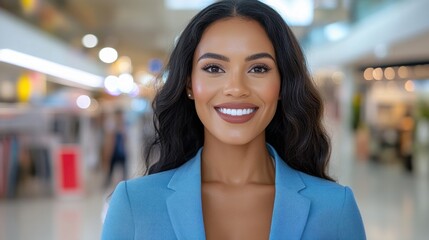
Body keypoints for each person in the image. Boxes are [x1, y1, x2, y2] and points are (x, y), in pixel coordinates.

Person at [101, 0, 366, 239]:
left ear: (283, 84)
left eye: (258, 68)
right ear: (189, 84)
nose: (236, 88)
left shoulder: (336, 208)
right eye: (214, 68)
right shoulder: (134, 204)